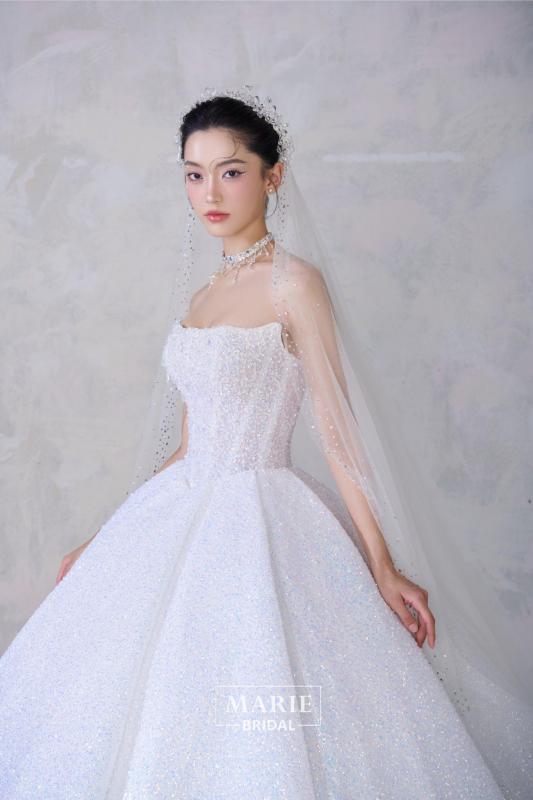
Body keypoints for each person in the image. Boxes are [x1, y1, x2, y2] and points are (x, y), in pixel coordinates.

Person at [0, 86, 531, 799]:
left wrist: (382, 565)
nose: (210, 192)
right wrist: (105, 536)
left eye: (231, 170)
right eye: (194, 174)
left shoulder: (294, 285)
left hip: (263, 517)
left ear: (272, 176)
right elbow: (189, 445)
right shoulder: (201, 297)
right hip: (178, 511)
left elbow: (336, 430)